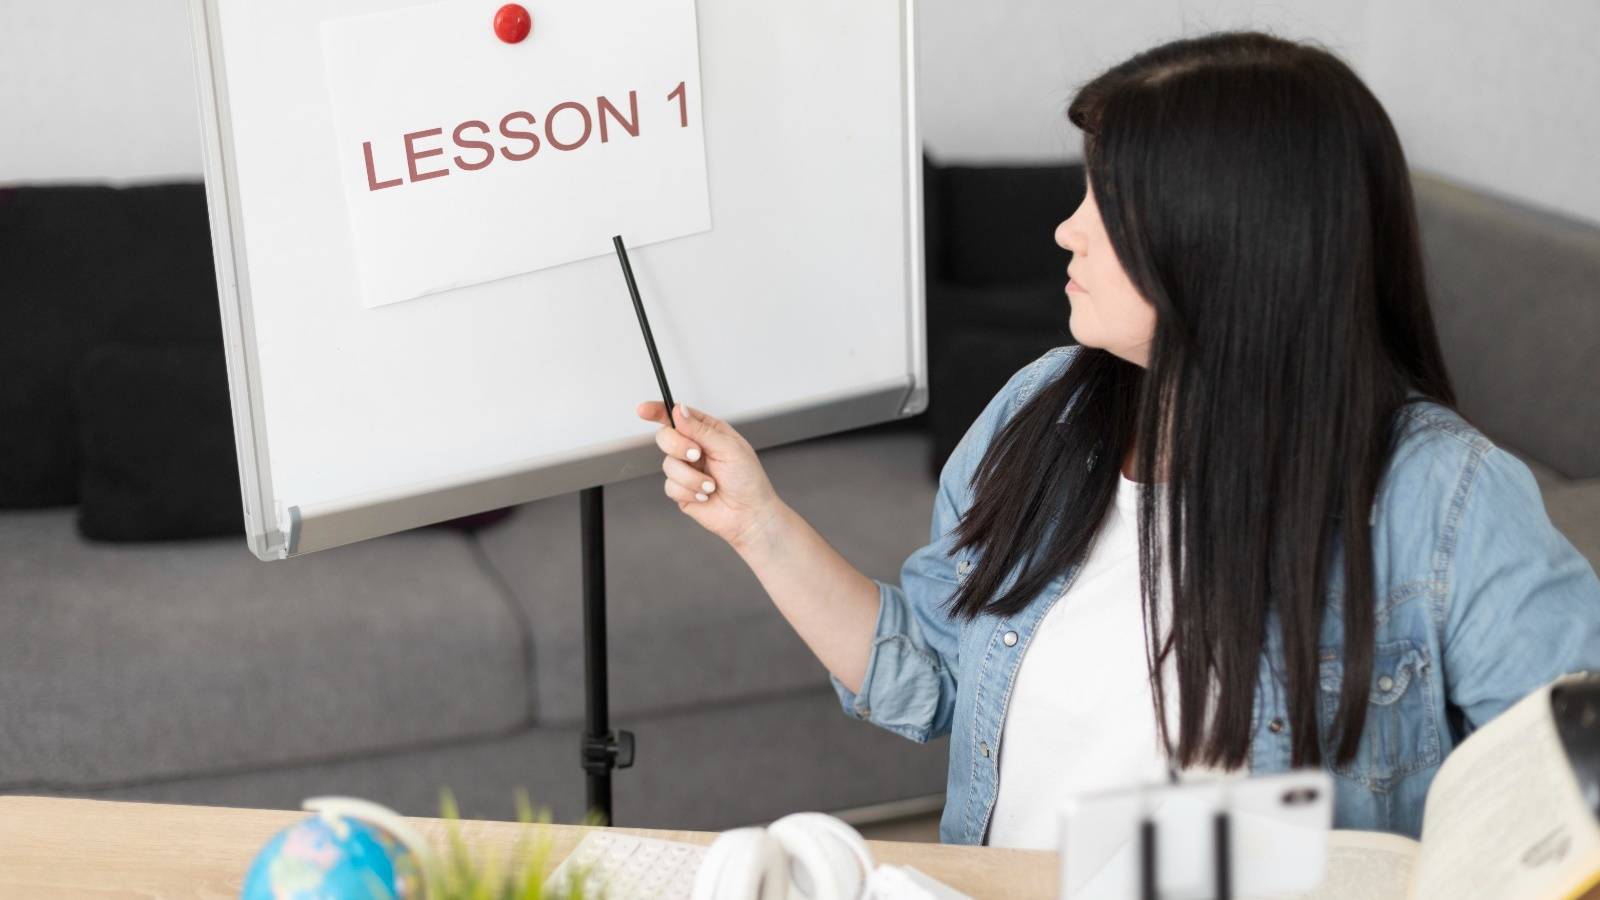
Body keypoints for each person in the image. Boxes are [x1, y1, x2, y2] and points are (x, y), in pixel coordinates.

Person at [635, 31, 1600, 848]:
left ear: (1226, 239)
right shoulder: (1042, 410)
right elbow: (928, 679)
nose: (1065, 231)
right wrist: (759, 525)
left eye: (1106, 203)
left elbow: (1570, 806)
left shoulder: (1445, 497)